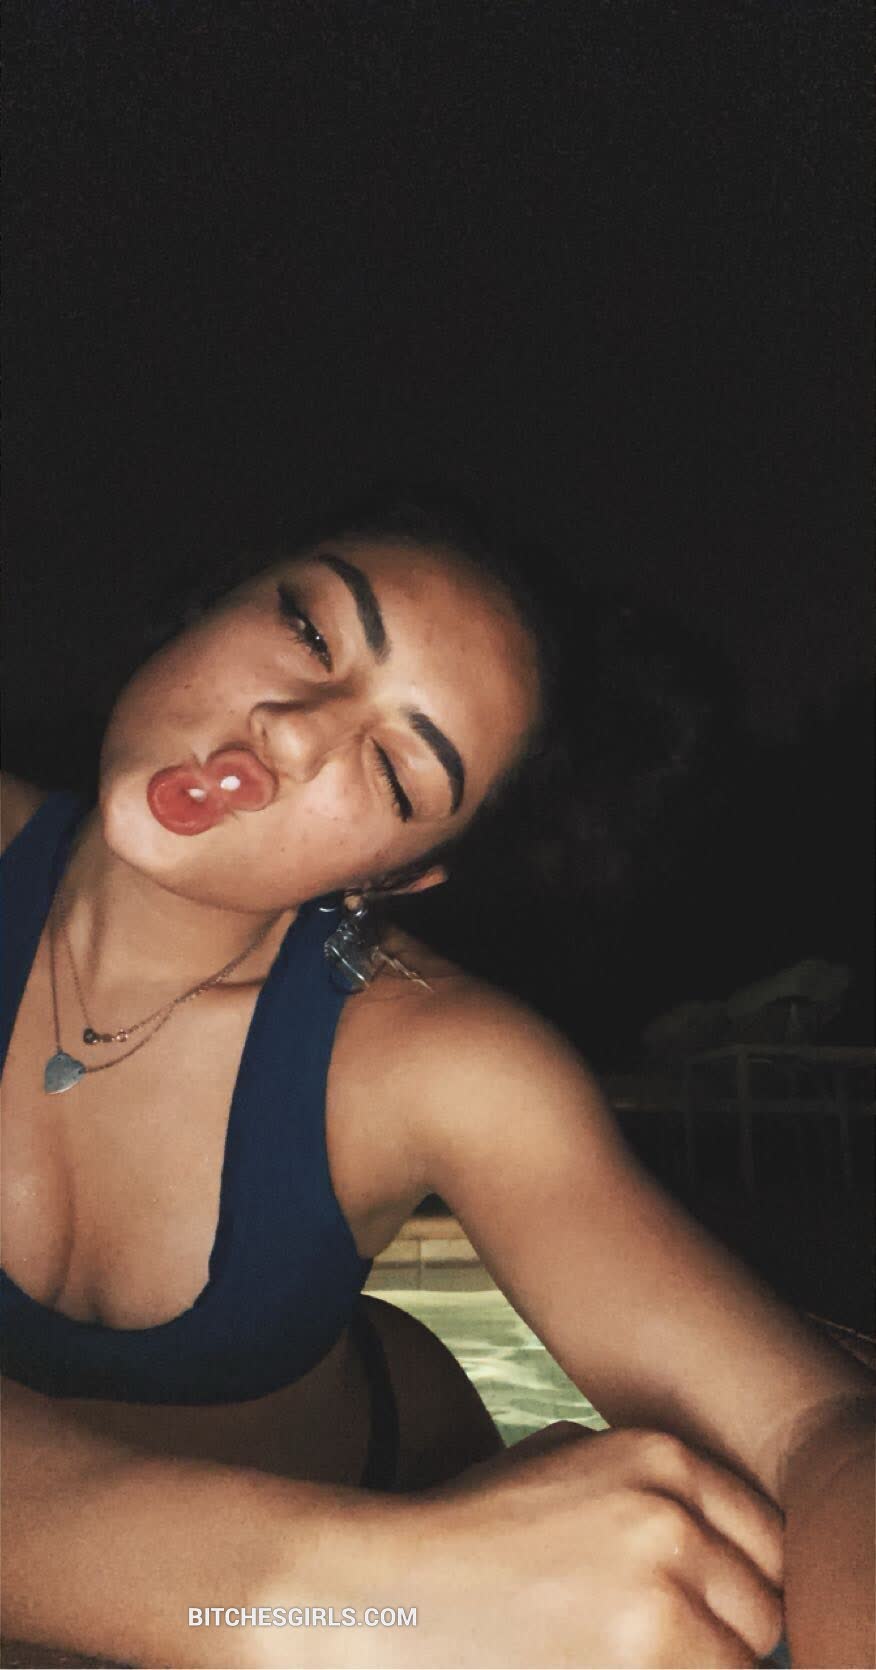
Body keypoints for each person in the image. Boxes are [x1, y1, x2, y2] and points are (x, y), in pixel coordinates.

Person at [1, 488, 873, 1670]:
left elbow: (814, 1426)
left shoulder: (435, 1055)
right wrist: (363, 1594)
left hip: (397, 1476)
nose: (296, 732)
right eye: (310, 630)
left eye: (398, 771)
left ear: (399, 875)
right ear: (209, 604)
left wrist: (376, 1582)